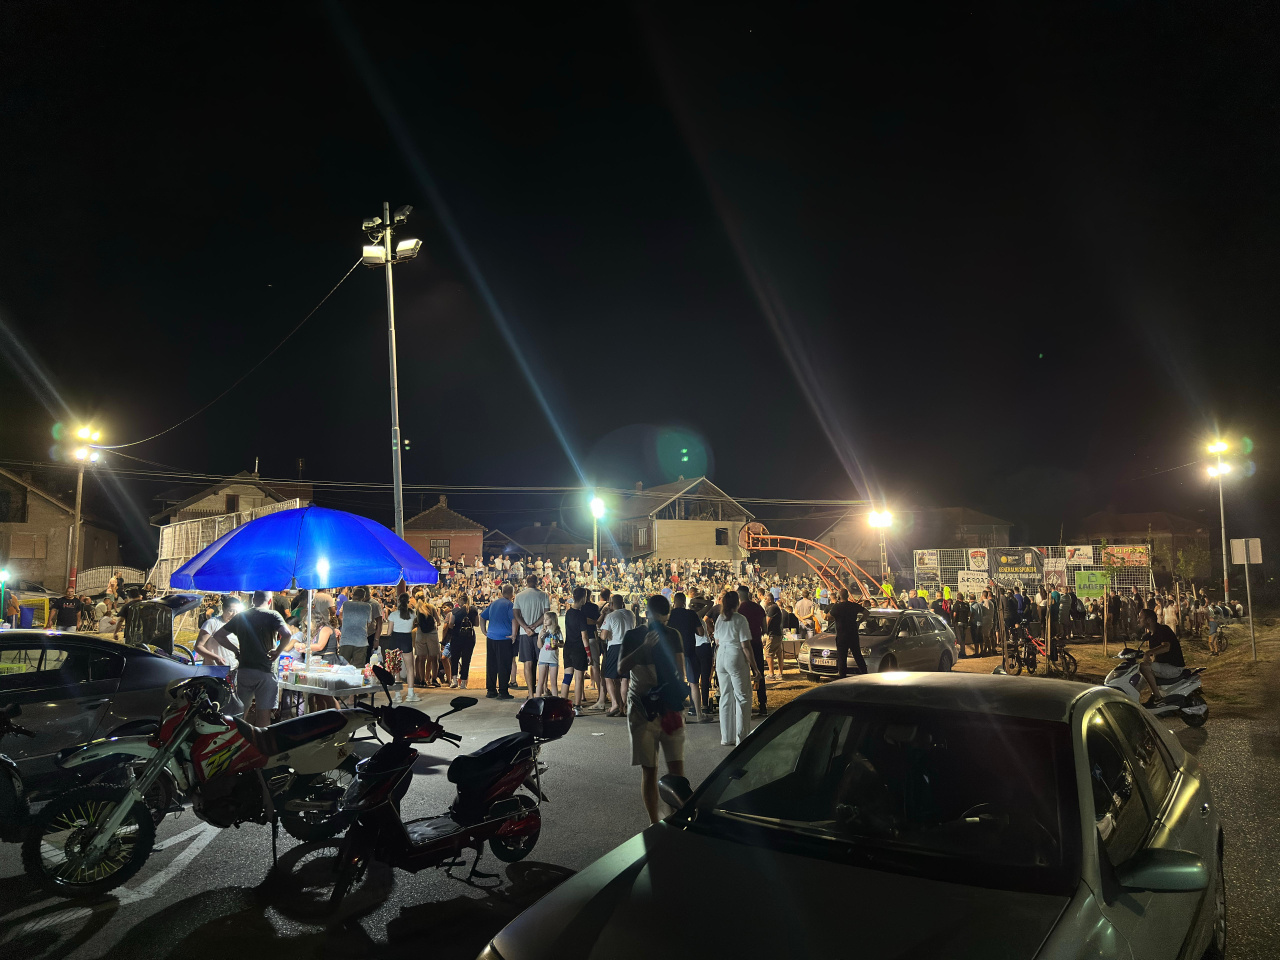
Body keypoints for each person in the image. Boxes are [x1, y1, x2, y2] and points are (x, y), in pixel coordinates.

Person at [619, 595, 687, 824]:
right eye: (658, 621)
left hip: (667, 708)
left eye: (664, 622)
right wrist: (645, 647)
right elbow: (621, 668)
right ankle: (655, 822)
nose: (661, 627)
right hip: (643, 708)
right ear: (647, 615)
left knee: (674, 767)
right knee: (651, 769)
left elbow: (680, 670)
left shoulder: (673, 635)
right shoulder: (634, 635)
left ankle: (674, 819)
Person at [210, 591, 294, 726]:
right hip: (266, 670)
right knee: (263, 715)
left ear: (253, 600)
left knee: (240, 712)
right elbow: (287, 634)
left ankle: (239, 736)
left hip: (245, 670)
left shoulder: (241, 616)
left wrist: (236, 650)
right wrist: (278, 651)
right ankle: (260, 738)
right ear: (270, 601)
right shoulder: (273, 615)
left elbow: (219, 635)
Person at [714, 590, 757, 747]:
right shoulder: (740, 619)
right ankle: (742, 738)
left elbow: (717, 641)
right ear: (737, 603)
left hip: (721, 656)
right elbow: (745, 645)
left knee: (725, 696)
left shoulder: (720, 618)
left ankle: (726, 737)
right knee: (743, 697)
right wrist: (755, 668)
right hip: (735, 655)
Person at [668, 591, 709, 722]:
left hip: (673, 653)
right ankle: (699, 715)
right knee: (694, 683)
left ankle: (680, 716)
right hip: (689, 651)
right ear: (684, 602)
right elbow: (701, 633)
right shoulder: (691, 614)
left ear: (674, 602)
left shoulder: (668, 615)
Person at [512, 575, 551, 697]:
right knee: (543, 662)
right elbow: (546, 614)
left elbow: (516, 614)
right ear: (537, 582)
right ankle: (544, 689)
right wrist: (534, 626)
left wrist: (526, 627)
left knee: (528, 663)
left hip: (525, 633)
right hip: (540, 631)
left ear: (526, 582)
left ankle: (530, 693)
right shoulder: (543, 595)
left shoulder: (519, 596)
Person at [1138, 608, 1185, 705]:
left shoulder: (1163, 630)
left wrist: (1148, 653)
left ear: (1149, 620)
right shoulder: (1152, 634)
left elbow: (1166, 647)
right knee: (1140, 673)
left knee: (1143, 667)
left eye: (1140, 618)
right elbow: (1156, 655)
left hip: (1173, 667)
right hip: (1164, 666)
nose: (1138, 620)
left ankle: (1158, 698)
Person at [600, 594, 635, 717]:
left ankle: (614, 704)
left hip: (615, 647)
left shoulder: (611, 616)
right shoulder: (631, 614)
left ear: (612, 604)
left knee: (608, 676)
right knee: (625, 678)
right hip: (629, 647)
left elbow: (603, 636)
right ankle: (623, 707)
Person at [481, 584, 516, 700]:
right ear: (512, 594)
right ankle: (503, 691)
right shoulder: (509, 605)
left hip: (491, 637)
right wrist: (514, 634)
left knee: (491, 664)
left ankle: (491, 690)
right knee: (504, 665)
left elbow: (482, 617)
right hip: (504, 638)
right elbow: (514, 620)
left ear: (502, 592)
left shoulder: (494, 603)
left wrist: (484, 631)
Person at [737, 586, 768, 716]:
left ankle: (744, 706)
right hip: (756, 643)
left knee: (741, 675)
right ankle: (762, 705)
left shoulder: (738, 610)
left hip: (742, 645)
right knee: (759, 674)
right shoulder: (759, 608)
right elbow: (765, 628)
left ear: (739, 595)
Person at [561, 587, 591, 713]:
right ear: (583, 598)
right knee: (579, 679)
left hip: (568, 648)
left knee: (567, 677)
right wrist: (588, 653)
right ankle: (577, 707)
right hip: (579, 649)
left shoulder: (568, 612)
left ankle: (562, 705)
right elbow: (584, 636)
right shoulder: (581, 615)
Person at [828, 587, 869, 677]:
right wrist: (859, 621)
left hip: (841, 635)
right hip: (853, 634)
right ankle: (864, 674)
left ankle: (842, 677)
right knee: (857, 655)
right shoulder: (853, 606)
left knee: (842, 658)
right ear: (847, 596)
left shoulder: (837, 607)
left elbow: (827, 617)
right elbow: (866, 613)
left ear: (839, 596)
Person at [387, 593, 420, 702]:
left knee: (396, 668)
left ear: (398, 601)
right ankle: (410, 694)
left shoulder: (393, 615)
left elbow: (389, 632)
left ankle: (397, 695)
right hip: (406, 639)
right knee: (410, 667)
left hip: (395, 640)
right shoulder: (412, 614)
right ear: (408, 602)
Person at [337, 587, 374, 667]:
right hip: (361, 641)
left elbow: (340, 617)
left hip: (346, 640)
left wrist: (346, 625)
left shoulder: (345, 604)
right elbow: (368, 623)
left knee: (342, 667)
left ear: (353, 595)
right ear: (363, 597)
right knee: (358, 668)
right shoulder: (368, 606)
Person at [762, 589, 785, 680]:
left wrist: (764, 631)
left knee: (768, 653)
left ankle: (771, 674)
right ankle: (780, 673)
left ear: (769, 600)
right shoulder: (775, 607)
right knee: (779, 653)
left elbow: (767, 621)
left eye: (765, 599)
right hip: (777, 634)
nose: (764, 601)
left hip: (773, 635)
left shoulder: (772, 608)